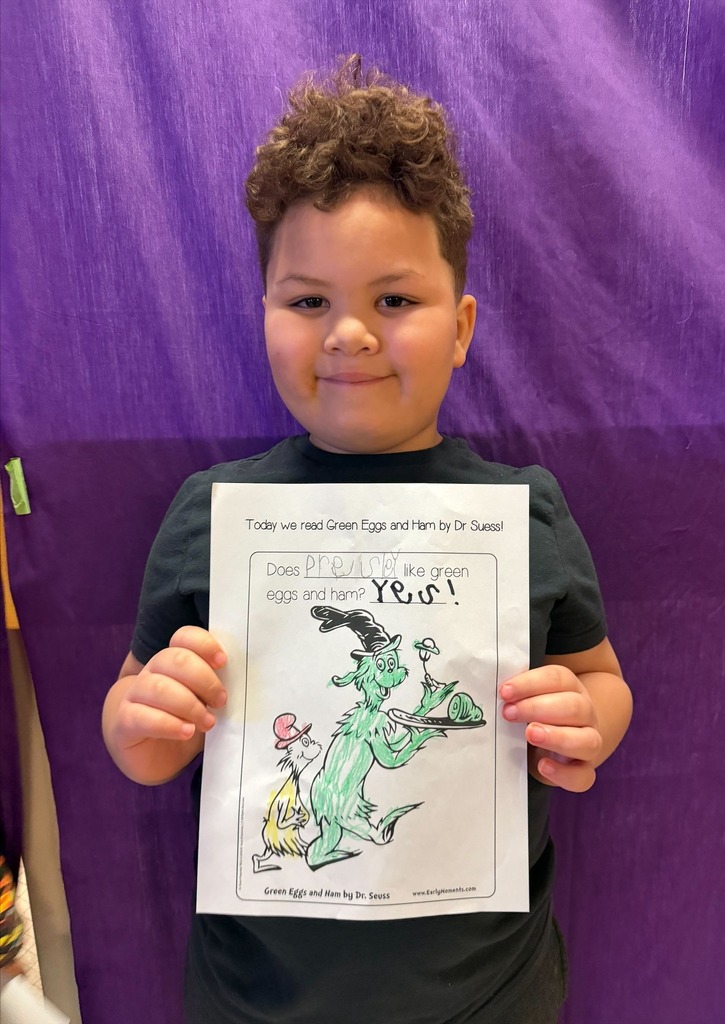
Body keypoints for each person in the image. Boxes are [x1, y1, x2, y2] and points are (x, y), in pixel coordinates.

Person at [102, 55, 632, 1024]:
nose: (347, 334)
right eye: (309, 301)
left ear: (460, 327)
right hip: (254, 998)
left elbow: (601, 679)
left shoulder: (524, 512)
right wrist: (142, 721)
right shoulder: (212, 513)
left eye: (393, 300)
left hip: (490, 995)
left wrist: (585, 718)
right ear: (265, 319)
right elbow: (140, 735)